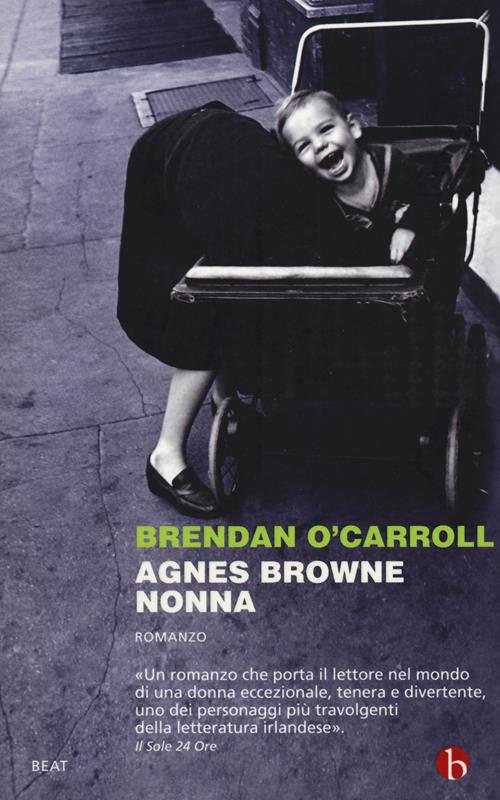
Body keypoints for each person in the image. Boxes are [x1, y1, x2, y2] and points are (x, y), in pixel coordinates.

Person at [118, 102, 323, 518]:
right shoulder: (232, 203)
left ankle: (224, 401)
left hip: (214, 153)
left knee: (228, 297)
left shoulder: (278, 184)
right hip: (169, 164)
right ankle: (165, 457)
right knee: (205, 313)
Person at [276, 90, 438, 267]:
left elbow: (430, 190)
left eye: (326, 129)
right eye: (304, 146)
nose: (319, 145)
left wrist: (409, 225)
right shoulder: (321, 202)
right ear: (300, 164)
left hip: (421, 258)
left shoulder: (393, 161)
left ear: (352, 127)